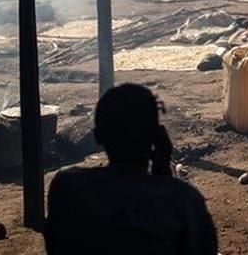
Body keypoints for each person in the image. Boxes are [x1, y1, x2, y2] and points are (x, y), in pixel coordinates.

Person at [45, 84, 218, 255]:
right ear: (156, 136)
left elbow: (55, 246)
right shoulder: (184, 201)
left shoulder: (67, 187)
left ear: (97, 136)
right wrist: (162, 166)